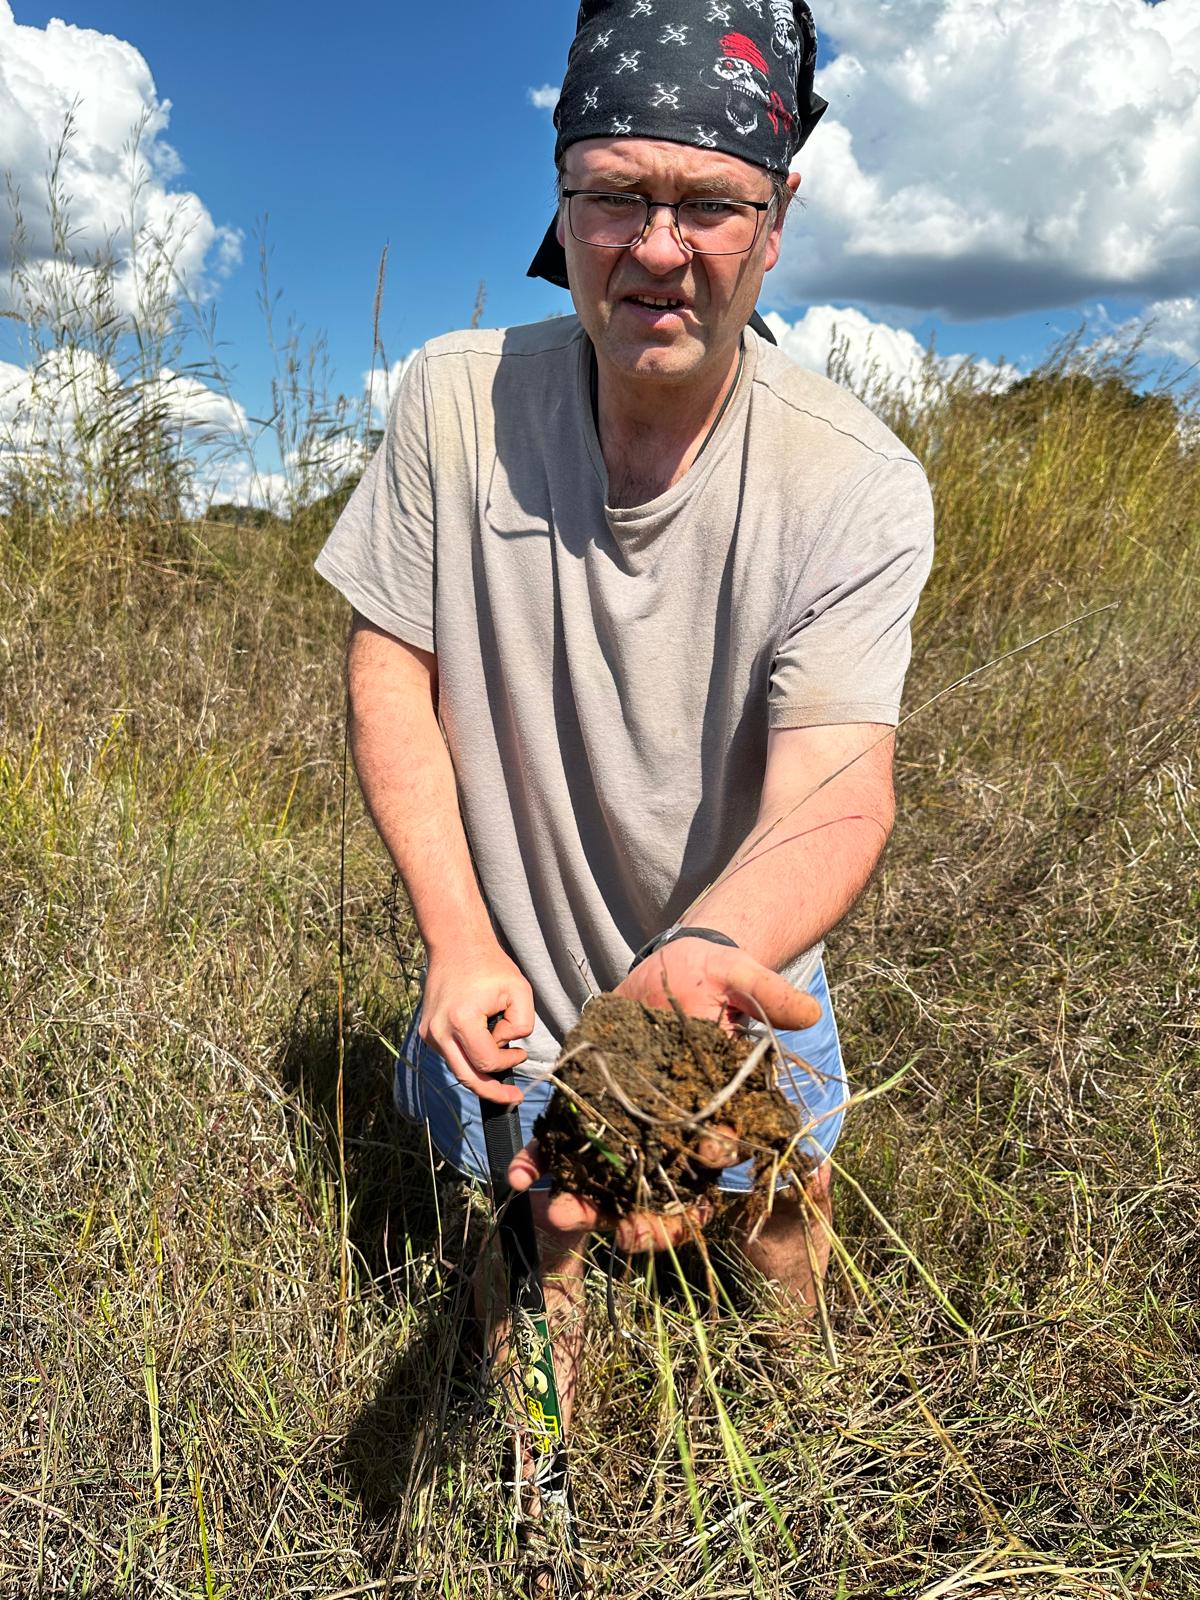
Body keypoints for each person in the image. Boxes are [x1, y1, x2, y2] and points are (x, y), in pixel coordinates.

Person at [315, 0, 934, 1429]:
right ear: (564, 205)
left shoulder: (853, 480)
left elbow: (842, 777)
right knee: (538, 1249)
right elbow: (390, 662)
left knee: (779, 1201)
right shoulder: (454, 406)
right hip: (508, 966)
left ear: (775, 223)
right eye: (618, 197)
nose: (660, 246)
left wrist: (708, 960)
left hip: (734, 947)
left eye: (711, 203)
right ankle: (545, 1476)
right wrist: (456, 935)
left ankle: (809, 1425)